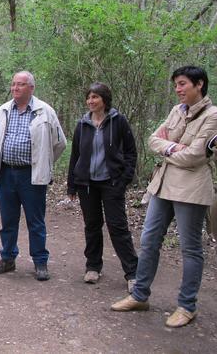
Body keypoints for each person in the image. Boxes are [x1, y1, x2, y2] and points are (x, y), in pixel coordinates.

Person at [112, 66, 217, 328]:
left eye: (182, 84)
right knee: (149, 240)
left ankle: (187, 306)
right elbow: (152, 140)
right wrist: (174, 147)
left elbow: (196, 155)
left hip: (191, 188)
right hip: (163, 184)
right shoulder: (176, 111)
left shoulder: (213, 116)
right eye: (176, 85)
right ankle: (140, 296)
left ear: (199, 84)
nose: (178, 89)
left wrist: (168, 149)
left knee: (190, 248)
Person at [0, 71, 66, 281]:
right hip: (5, 173)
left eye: (20, 84)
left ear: (31, 88)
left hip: (32, 175)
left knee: (35, 221)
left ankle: (40, 262)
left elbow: (59, 143)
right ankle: (7, 258)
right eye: (13, 84)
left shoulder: (45, 112)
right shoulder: (2, 111)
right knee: (8, 220)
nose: (15, 88)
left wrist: (43, 163)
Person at [67, 83, 138, 291]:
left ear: (104, 100)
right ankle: (93, 266)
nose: (91, 101)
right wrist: (72, 185)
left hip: (112, 182)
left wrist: (124, 179)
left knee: (118, 227)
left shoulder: (118, 121)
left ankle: (133, 273)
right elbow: (75, 155)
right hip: (87, 184)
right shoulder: (82, 124)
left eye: (95, 97)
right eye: (89, 97)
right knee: (92, 225)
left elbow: (131, 152)